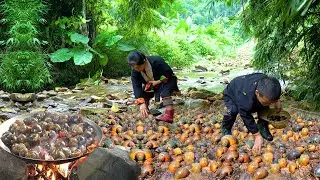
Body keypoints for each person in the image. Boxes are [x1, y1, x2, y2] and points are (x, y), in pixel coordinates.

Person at [221, 73, 282, 153]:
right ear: (257, 93)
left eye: (271, 102)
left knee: (264, 107)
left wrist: (277, 101)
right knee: (232, 111)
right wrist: (257, 135)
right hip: (233, 93)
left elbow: (273, 93)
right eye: (267, 102)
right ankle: (226, 128)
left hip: (250, 91)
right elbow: (246, 117)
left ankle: (262, 125)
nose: (269, 105)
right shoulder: (246, 99)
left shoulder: (267, 82)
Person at [128, 51, 180, 123]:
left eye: (139, 67)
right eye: (135, 68)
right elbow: (136, 86)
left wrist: (158, 81)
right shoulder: (135, 71)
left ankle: (169, 115)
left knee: (165, 93)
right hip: (151, 84)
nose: (138, 69)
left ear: (144, 61)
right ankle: (145, 112)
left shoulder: (157, 61)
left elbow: (169, 74)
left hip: (167, 80)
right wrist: (141, 103)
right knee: (143, 93)